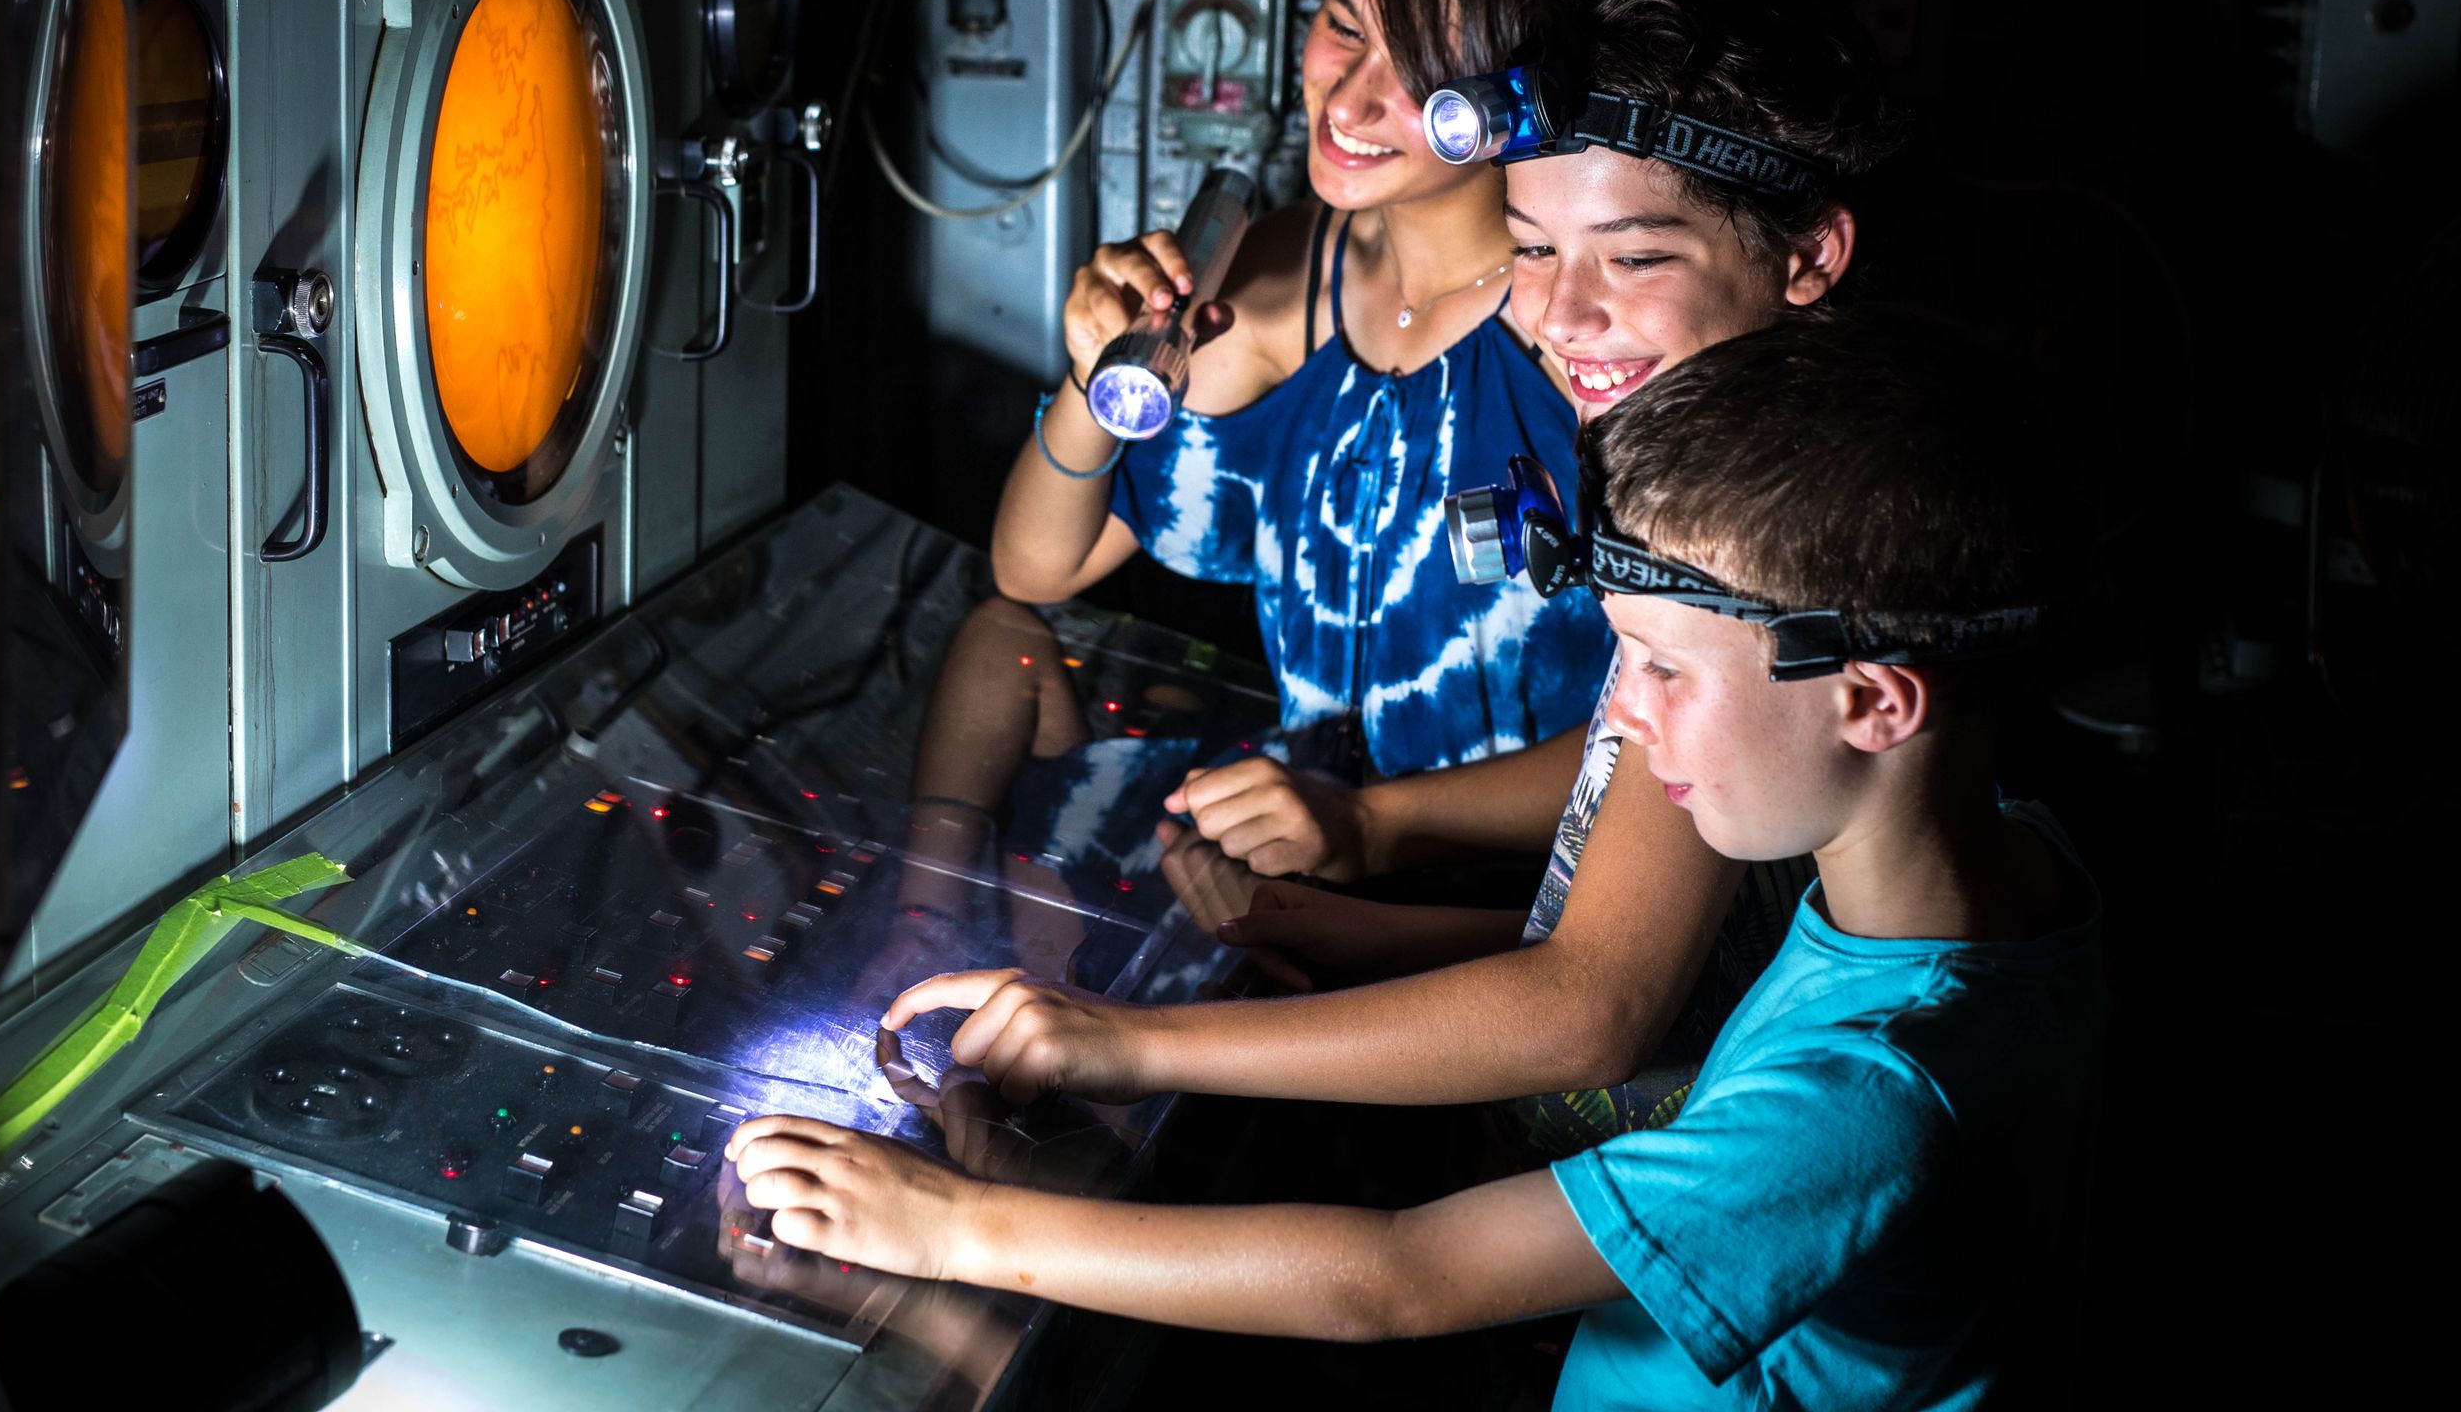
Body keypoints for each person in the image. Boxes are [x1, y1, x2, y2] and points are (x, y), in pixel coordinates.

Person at [730, 307, 2106, 1407]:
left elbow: (1391, 1282)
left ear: (1873, 701)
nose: (1617, 717)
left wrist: (951, 1233)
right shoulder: (1995, 875)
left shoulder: (1877, 1096)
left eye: (1662, 667)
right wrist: (1162, 1022)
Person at [892, 0, 1909, 1153]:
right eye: (1530, 250)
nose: (1557, 313)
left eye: (1635, 256)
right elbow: (1605, 915)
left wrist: (1114, 1041)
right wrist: (1325, 924)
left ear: (1810, 257)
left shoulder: (1774, 542)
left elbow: (1588, 1012)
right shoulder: (1694, 474)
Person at [910, 0, 1632, 911]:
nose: (1349, 102)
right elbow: (1031, 575)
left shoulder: (1592, 340)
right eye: (1345, 25)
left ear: (1527, 97)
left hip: (1519, 912)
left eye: (1423, 73)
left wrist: (1374, 828)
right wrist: (1099, 376)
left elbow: (1661, 754)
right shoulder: (1278, 280)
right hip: (1290, 869)